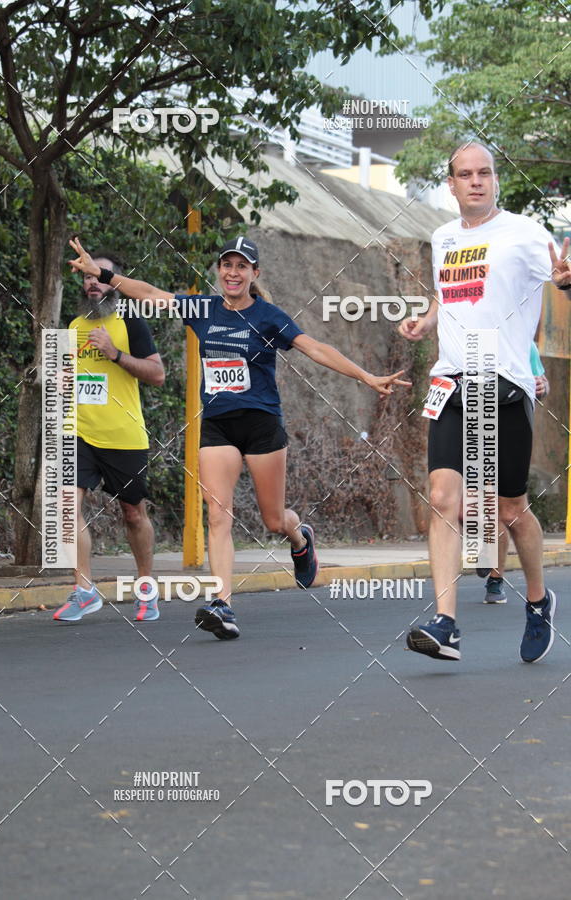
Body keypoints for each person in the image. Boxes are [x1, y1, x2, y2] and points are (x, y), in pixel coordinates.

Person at [67, 234, 411, 640]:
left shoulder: (268, 316)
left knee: (273, 519)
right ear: (219, 271)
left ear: (254, 274)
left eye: (241, 266)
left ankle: (300, 537)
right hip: (217, 425)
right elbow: (151, 293)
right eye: (227, 265)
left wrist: (366, 375)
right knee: (218, 512)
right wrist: (103, 273)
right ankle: (223, 604)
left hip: (261, 423)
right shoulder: (202, 308)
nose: (233, 272)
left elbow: (315, 348)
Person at [398, 141, 570, 663]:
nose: (475, 182)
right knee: (443, 498)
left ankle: (539, 601)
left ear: (495, 179)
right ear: (450, 185)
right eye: (465, 175)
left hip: (506, 382)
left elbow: (560, 277)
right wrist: (426, 320)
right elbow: (447, 294)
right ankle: (446, 623)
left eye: (485, 173)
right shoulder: (443, 237)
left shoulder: (524, 234)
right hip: (451, 380)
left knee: (508, 509)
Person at [53, 251, 165, 624]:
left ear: (113, 283)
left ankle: (146, 589)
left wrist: (115, 354)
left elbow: (157, 374)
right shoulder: (72, 325)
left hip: (123, 435)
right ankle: (83, 590)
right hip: (80, 432)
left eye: (99, 277)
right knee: (67, 506)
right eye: (86, 278)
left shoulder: (130, 320)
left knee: (133, 514)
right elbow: (70, 378)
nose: (92, 283)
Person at [479, 342, 549, 604]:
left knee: (502, 508)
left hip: (512, 430)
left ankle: (495, 578)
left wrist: (542, 387)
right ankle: (482, 547)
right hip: (473, 428)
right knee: (475, 500)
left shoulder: (523, 341)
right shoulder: (465, 331)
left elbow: (540, 381)